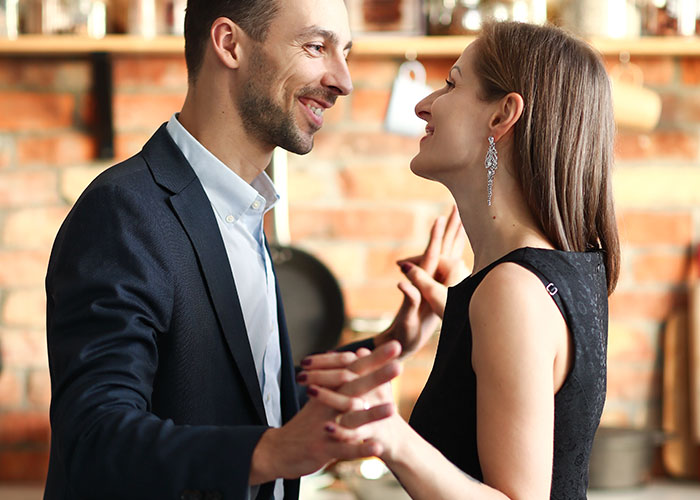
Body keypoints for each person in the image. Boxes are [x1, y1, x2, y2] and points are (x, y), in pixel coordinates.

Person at [43, 1, 453, 498]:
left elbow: (255, 404)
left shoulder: (242, 209)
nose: (343, 80)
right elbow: (93, 439)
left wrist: (390, 342)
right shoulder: (124, 213)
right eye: (316, 47)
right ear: (229, 44)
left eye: (345, 53)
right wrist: (274, 452)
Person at [298, 21, 620, 500]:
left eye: (451, 83)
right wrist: (456, 313)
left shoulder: (513, 292)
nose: (423, 104)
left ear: (502, 116)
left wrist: (392, 436)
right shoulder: (555, 272)